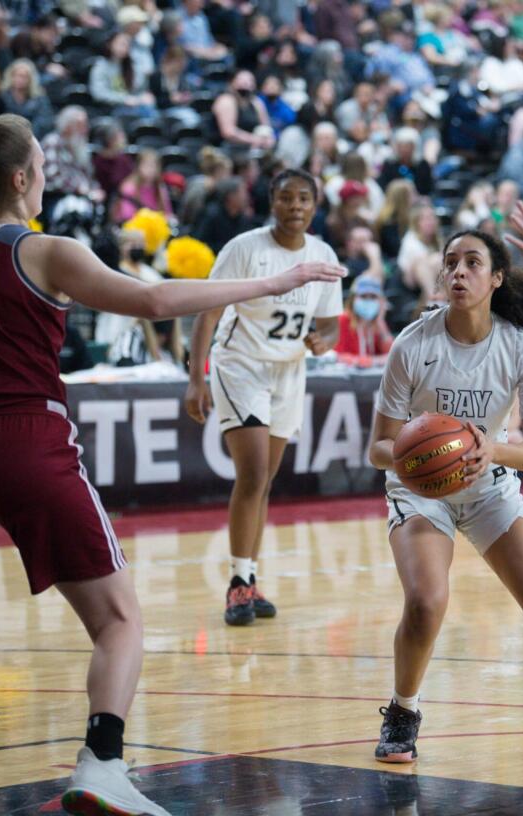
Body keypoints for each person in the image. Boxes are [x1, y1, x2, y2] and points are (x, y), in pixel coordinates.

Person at [0, 114, 342, 816]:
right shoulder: (44, 252)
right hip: (24, 438)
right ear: (20, 178)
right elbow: (156, 299)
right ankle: (101, 762)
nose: (45, 173)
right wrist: (271, 283)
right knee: (120, 621)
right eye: (40, 162)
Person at [365, 228, 523, 767]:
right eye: (451, 263)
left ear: (497, 278)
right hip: (423, 492)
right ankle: (403, 710)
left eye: (473, 263)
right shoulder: (413, 344)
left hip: (490, 485)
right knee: (426, 602)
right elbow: (377, 447)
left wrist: (493, 451)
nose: (458, 272)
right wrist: (414, 456)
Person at [184, 168, 343, 627]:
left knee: (265, 479)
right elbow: (208, 312)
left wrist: (324, 341)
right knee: (252, 474)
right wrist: (198, 378)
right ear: (270, 202)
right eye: (286, 198)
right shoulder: (244, 248)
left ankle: (249, 575)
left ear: (315, 206)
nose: (295, 206)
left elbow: (331, 323)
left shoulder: (324, 254)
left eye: (304, 199)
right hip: (241, 366)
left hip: (289, 371)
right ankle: (237, 584)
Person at [335, 275, 392, 360]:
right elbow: (337, 356)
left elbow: (392, 355)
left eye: (373, 297)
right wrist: (371, 361)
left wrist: (381, 322)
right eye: (363, 296)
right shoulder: (342, 320)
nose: (368, 301)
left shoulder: (377, 323)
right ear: (353, 299)